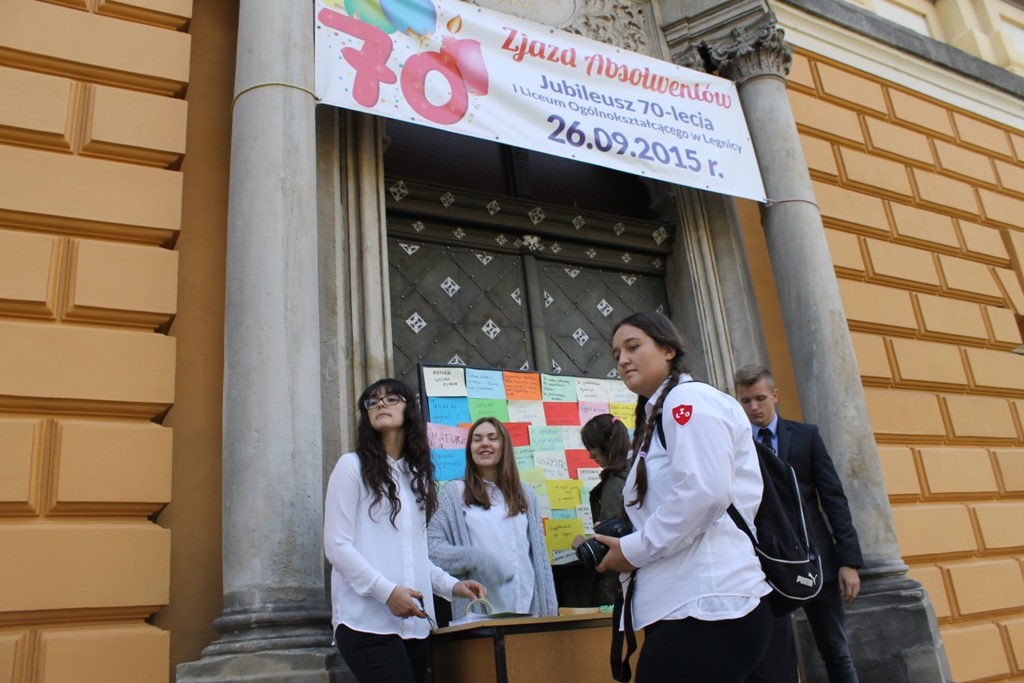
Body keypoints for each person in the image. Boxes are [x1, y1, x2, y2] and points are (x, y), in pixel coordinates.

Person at [594, 311, 773, 683]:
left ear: (669, 350)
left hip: (709, 604)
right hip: (689, 605)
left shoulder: (686, 400)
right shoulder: (657, 415)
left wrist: (633, 550)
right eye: (616, 355)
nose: (622, 360)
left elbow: (704, 493)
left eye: (633, 347)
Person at [324, 379, 486, 683]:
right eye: (372, 402)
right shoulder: (351, 467)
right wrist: (387, 593)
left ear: (408, 409)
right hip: (366, 623)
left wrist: (451, 586)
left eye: (390, 399)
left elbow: (414, 555)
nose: (380, 404)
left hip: (416, 627)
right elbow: (336, 546)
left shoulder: (417, 478)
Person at [734, 365, 863, 683]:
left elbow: (834, 500)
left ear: (774, 396)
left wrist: (848, 561)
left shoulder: (807, 437)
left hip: (818, 561)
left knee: (836, 652)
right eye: (745, 401)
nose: (753, 408)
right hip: (767, 569)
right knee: (773, 661)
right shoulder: (737, 448)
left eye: (760, 398)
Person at [427, 417, 558, 619]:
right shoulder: (455, 493)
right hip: (480, 612)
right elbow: (432, 548)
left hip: (529, 610)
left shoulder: (526, 494)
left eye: (492, 438)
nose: (484, 443)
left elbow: (539, 559)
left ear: (504, 446)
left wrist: (549, 612)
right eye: (477, 439)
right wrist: (476, 558)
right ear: (470, 449)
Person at [572, 413, 630, 606]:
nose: (590, 455)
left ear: (606, 445)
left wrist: (582, 546)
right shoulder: (637, 472)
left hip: (619, 585)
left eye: (592, 448)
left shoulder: (614, 485)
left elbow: (611, 545)